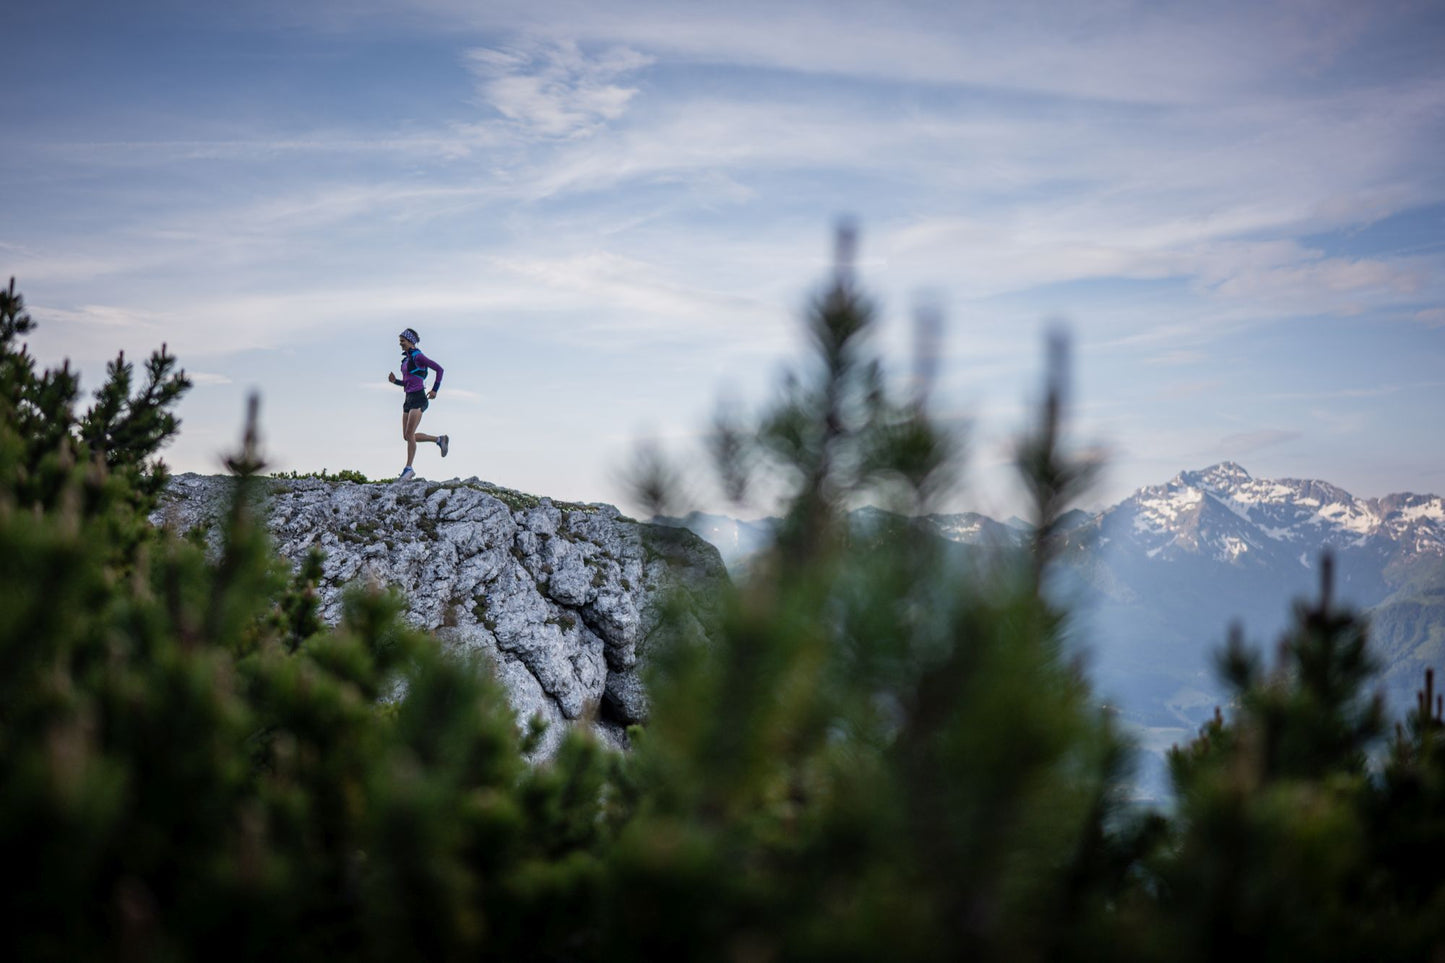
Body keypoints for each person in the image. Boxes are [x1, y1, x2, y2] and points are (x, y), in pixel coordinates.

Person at [388, 327, 449, 480]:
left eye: (402, 341)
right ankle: (439, 439)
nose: (400, 344)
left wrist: (435, 390)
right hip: (408, 399)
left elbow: (439, 369)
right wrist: (395, 381)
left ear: (410, 341)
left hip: (419, 398)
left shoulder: (418, 357)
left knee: (410, 434)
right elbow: (408, 382)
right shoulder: (406, 360)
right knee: (407, 436)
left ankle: (409, 469)